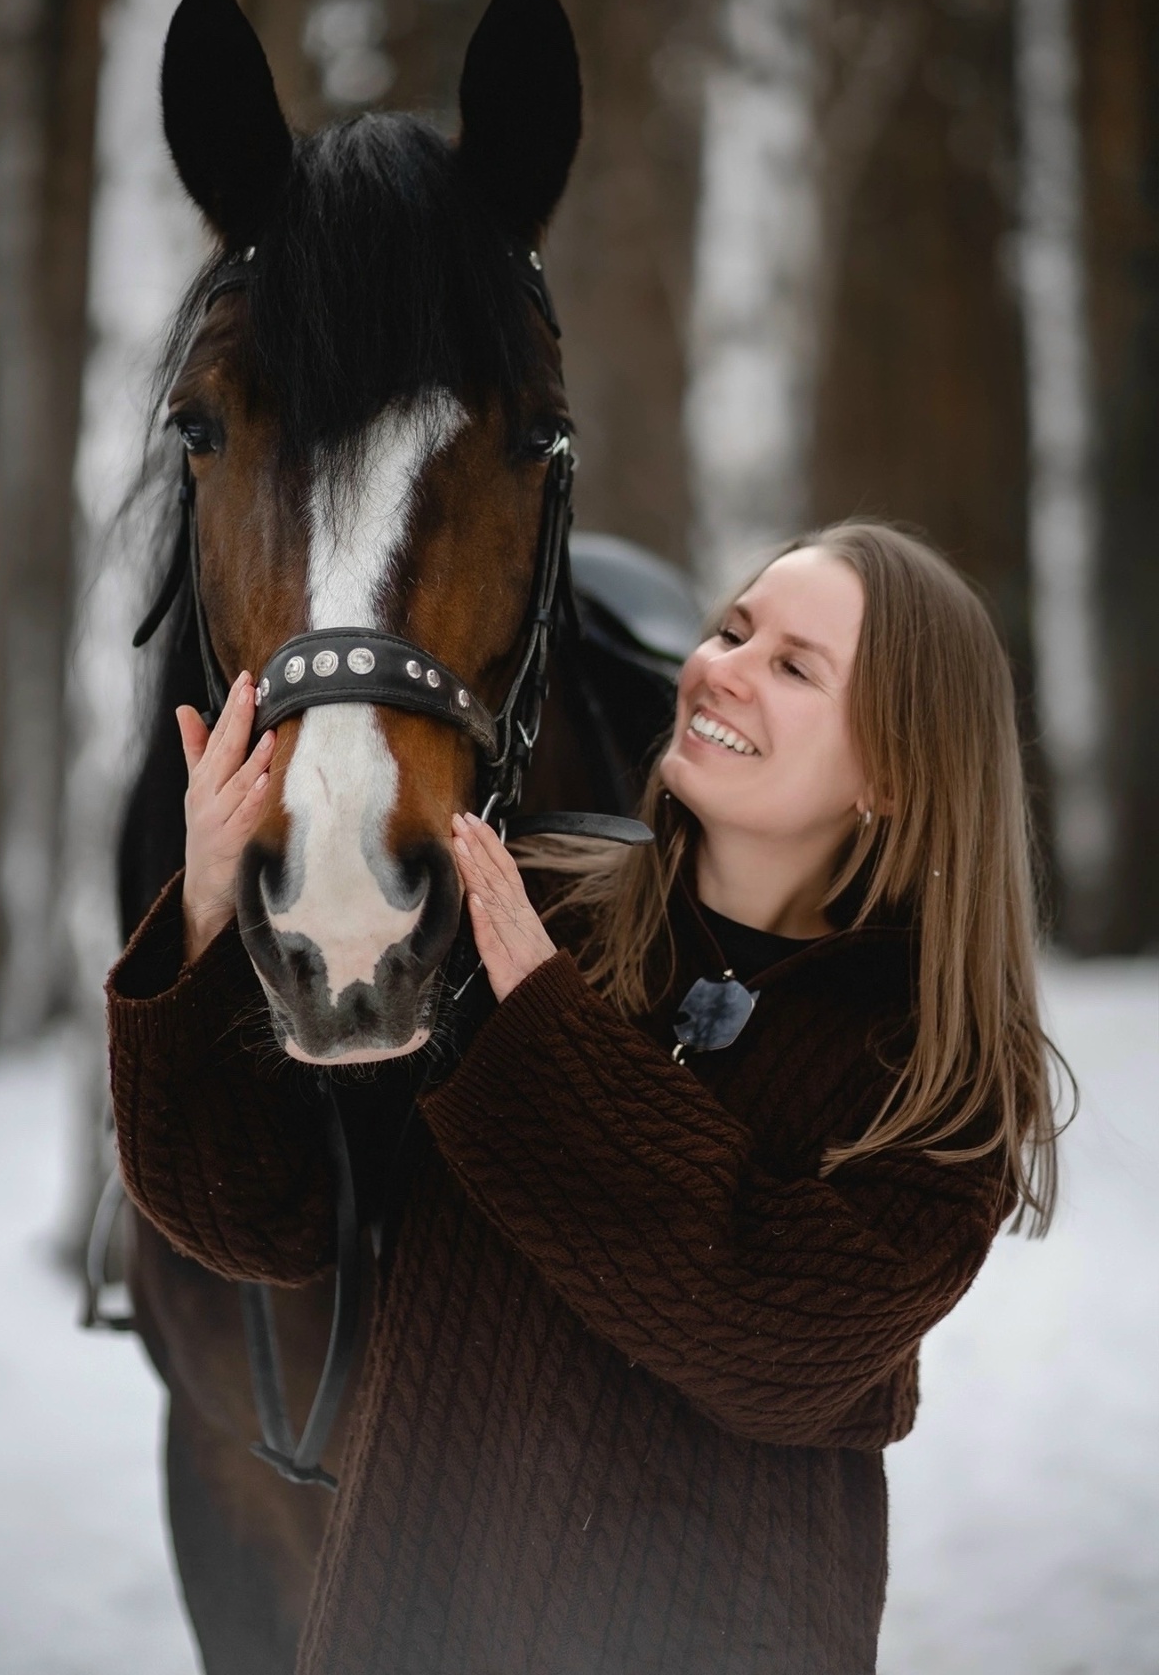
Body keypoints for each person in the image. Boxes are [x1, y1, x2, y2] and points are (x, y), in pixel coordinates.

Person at [107, 520, 1065, 1675]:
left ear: (896, 776)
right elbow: (256, 1219)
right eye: (732, 628)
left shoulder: (933, 1077)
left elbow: (777, 1340)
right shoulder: (522, 913)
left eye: (794, 666)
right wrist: (206, 921)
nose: (721, 668)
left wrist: (544, 1040)